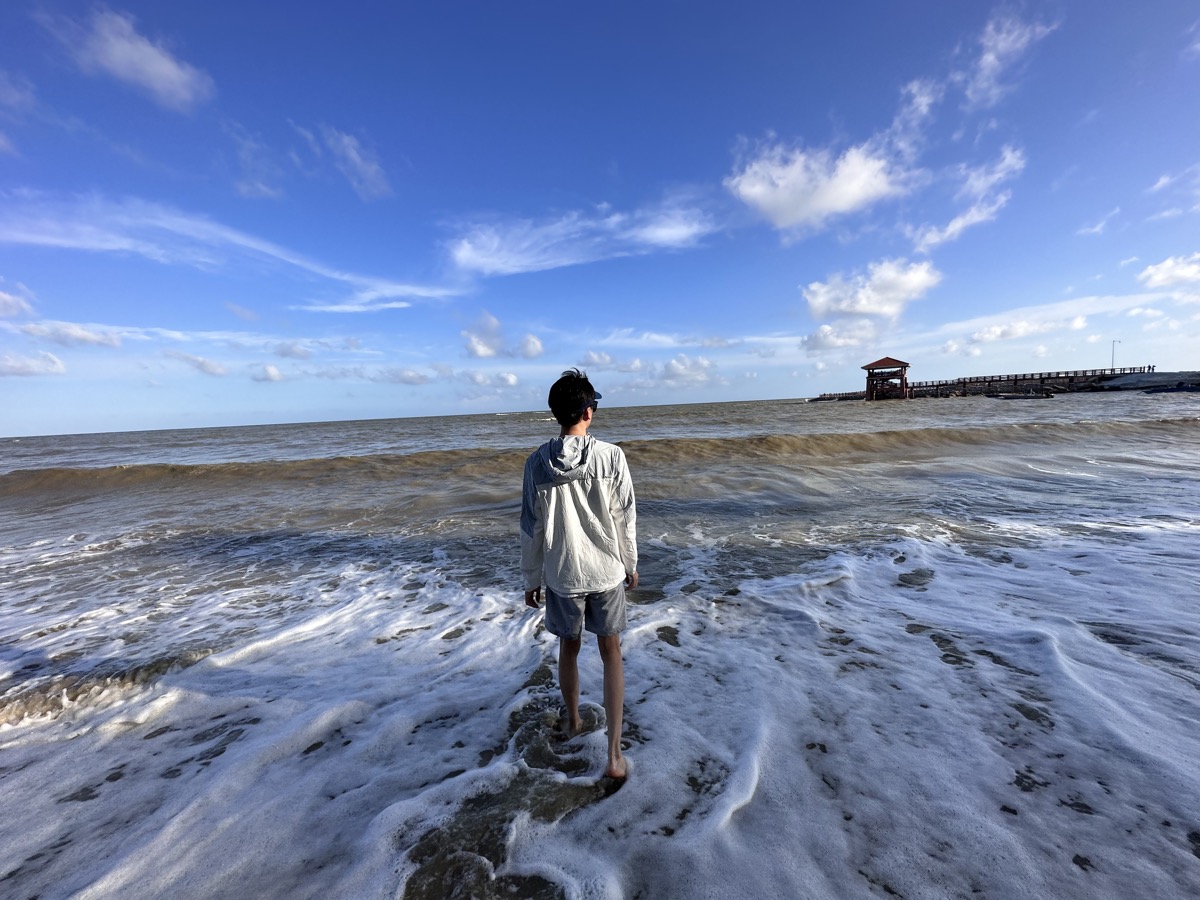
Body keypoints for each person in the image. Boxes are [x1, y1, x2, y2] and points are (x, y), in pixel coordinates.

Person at [521, 368, 638, 779]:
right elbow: (625, 518)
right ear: (589, 412)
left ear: (557, 414)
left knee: (569, 649)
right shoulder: (612, 456)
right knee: (611, 654)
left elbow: (530, 525)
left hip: (562, 573)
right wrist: (630, 562)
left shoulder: (537, 462)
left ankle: (572, 722)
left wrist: (530, 578)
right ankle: (613, 756)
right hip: (606, 571)